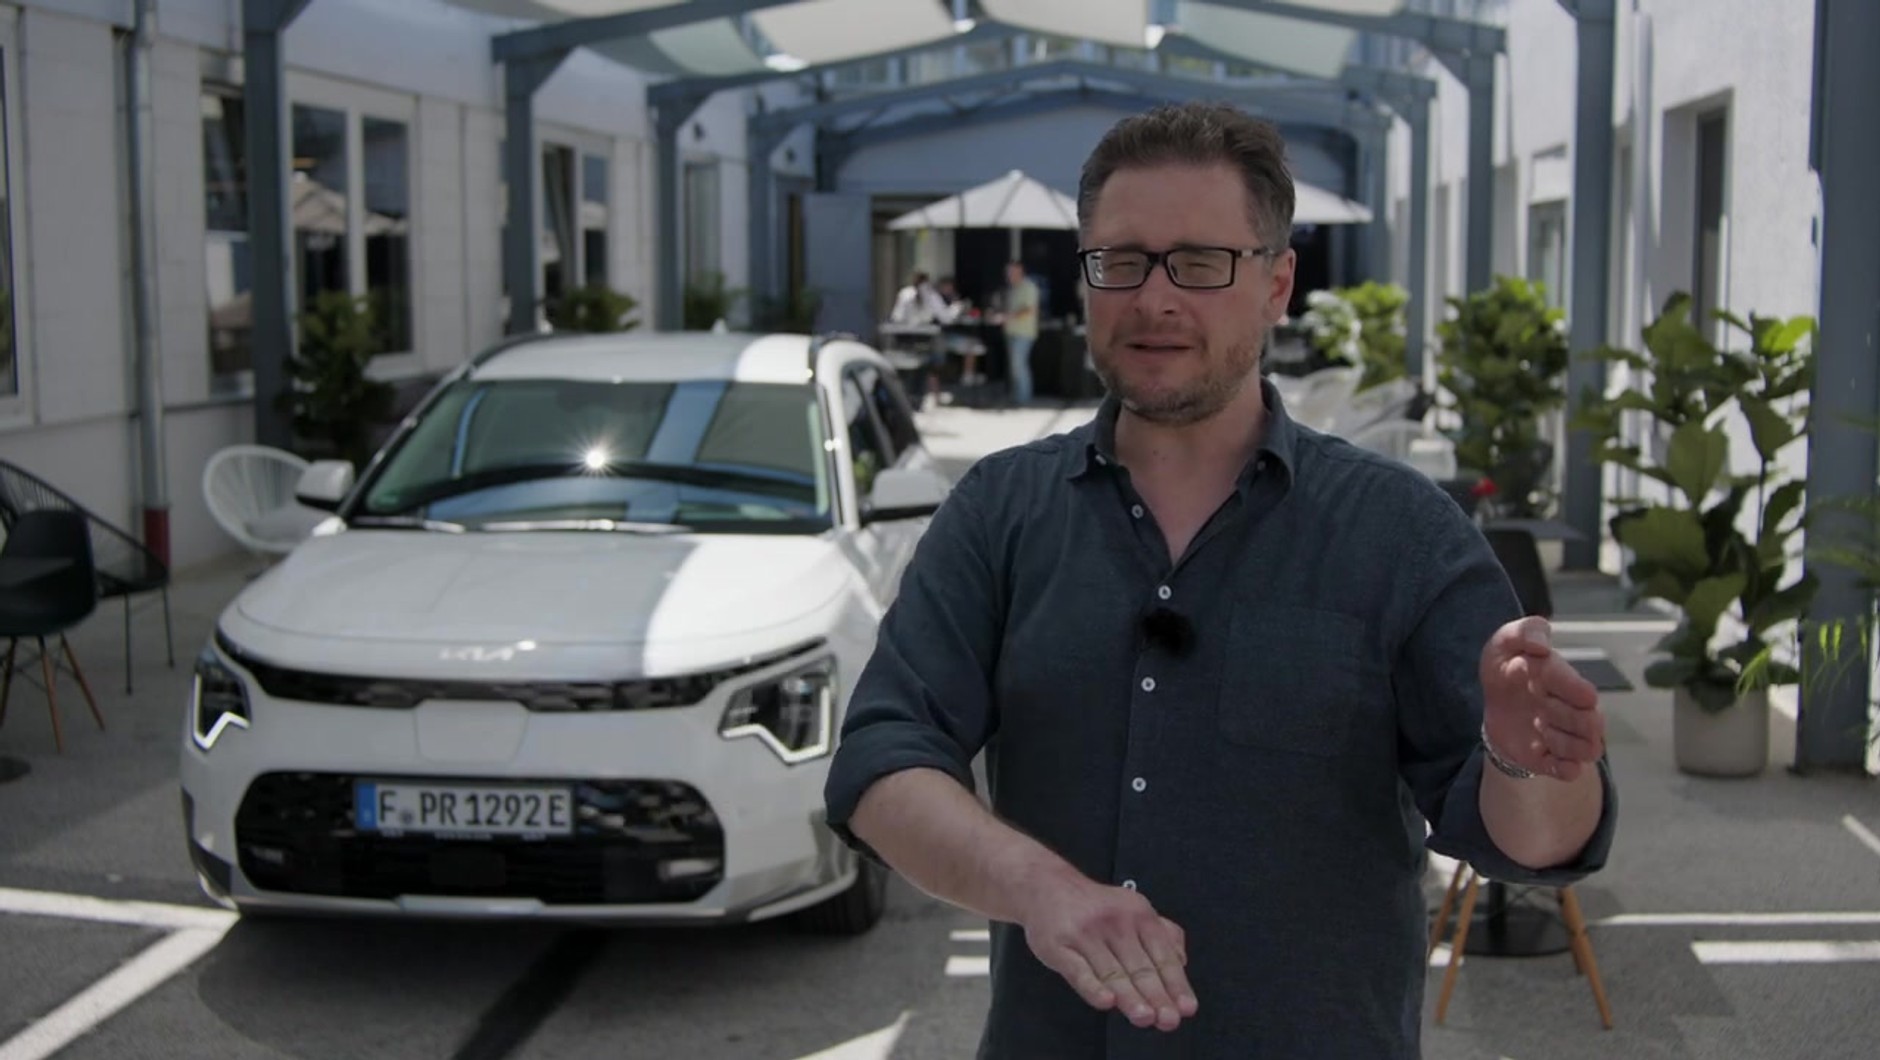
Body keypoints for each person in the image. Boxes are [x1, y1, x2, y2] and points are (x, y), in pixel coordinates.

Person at [822, 101, 1616, 1058]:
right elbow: (882, 759)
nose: (1155, 299)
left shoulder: (1399, 532)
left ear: (1277, 284)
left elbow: (1534, 844)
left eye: (1200, 262)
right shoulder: (1001, 512)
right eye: (1121, 261)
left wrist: (1528, 759)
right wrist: (1041, 890)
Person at [998, 261, 1040, 404]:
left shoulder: (1029, 287)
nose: (1008, 275)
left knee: (1019, 365)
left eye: (1011, 272)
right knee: (1014, 367)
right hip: (1011, 332)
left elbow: (1029, 309)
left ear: (1020, 272)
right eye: (1008, 272)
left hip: (1023, 333)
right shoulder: (1012, 288)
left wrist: (1007, 317)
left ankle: (1024, 399)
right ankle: (1017, 396)